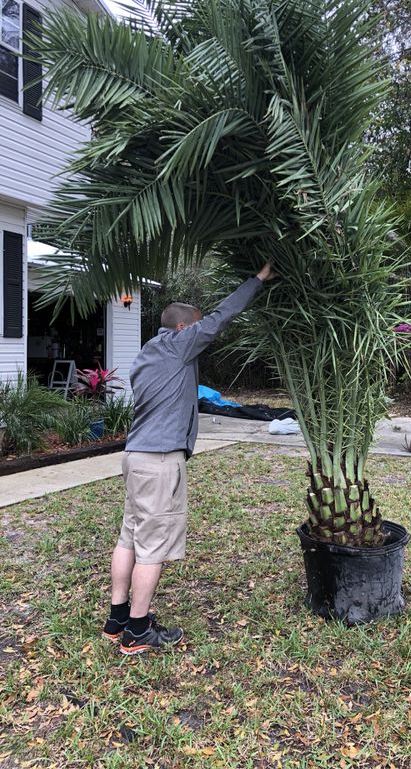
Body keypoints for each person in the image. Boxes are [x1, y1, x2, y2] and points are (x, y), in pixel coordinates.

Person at [102, 263, 277, 655]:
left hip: (135, 457)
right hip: (160, 461)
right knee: (153, 546)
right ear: (183, 330)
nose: (201, 338)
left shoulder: (148, 353)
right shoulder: (178, 346)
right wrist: (258, 280)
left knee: (129, 536)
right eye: (195, 330)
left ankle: (117, 618)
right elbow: (221, 317)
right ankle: (138, 630)